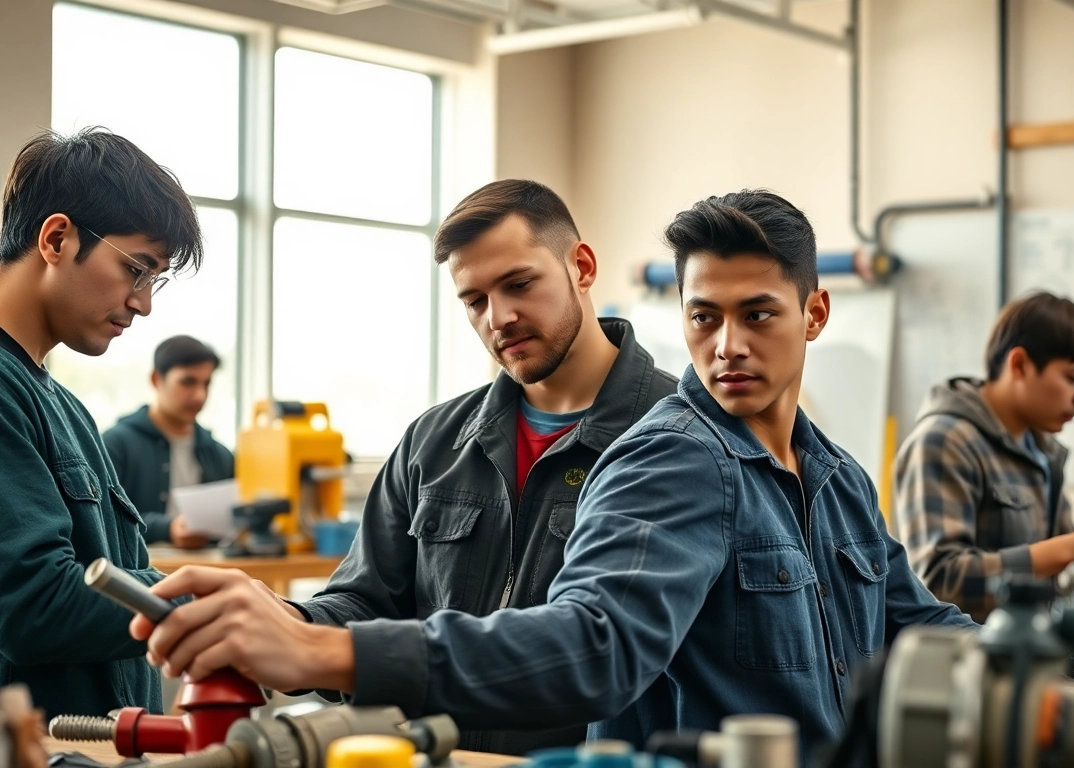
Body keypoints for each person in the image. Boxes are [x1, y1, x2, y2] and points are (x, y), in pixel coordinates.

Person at [130, 189, 974, 757]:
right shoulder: (446, 443)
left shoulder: (791, 467)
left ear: (580, 267)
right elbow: (375, 600)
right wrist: (285, 626)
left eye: (520, 284)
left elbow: (907, 618)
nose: (499, 317)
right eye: (474, 300)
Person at [0, 127, 202, 715]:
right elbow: (35, 605)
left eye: (153, 280)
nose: (143, 302)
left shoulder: (62, 405)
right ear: (58, 238)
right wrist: (200, 602)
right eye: (136, 270)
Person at [894, 291, 1074, 622]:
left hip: (1035, 656)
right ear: (1019, 365)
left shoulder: (1042, 451)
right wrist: (1070, 548)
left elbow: (1061, 580)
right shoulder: (945, 441)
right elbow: (937, 581)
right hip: (969, 664)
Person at [103, 335, 234, 549]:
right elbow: (102, 518)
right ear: (156, 379)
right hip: (137, 575)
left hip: (209, 574)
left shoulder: (219, 455)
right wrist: (167, 528)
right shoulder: (115, 444)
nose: (200, 395)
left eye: (206, 383)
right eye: (188, 382)